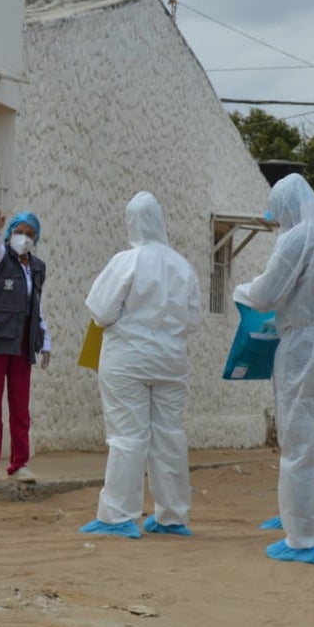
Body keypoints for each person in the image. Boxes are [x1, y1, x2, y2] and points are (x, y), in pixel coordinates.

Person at [234, 173, 314, 565]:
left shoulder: (297, 238)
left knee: (301, 444)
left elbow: (267, 294)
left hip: (305, 345)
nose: (278, 225)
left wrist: (241, 291)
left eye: (277, 217)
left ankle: (303, 538)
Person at [79, 192, 204, 539]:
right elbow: (194, 319)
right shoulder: (182, 265)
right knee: (169, 435)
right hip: (171, 361)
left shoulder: (126, 261)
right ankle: (173, 515)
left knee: (127, 436)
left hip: (127, 359)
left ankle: (118, 515)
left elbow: (101, 311)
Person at [0, 207, 51, 485]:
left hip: (21, 343)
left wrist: (45, 341)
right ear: (10, 234)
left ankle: (20, 464)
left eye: (30, 234)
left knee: (20, 406)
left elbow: (37, 306)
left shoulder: (38, 267)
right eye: (19, 232)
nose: (24, 238)